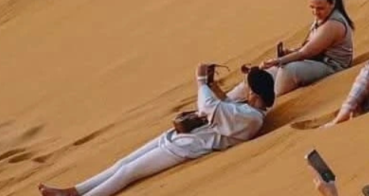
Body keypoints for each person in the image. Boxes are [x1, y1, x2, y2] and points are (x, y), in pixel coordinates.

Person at [37, 63, 275, 196]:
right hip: (180, 137)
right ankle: (72, 192)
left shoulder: (251, 119)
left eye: (246, 85)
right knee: (122, 163)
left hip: (186, 148)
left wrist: (201, 82)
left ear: (254, 93)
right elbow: (224, 103)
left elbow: (210, 107)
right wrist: (213, 84)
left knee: (128, 172)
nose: (242, 86)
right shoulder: (246, 110)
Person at [230, 0, 354, 100]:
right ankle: (226, 101)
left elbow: (305, 53)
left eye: (320, 8)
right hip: (315, 60)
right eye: (312, 7)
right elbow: (309, 47)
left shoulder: (333, 25)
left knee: (288, 70)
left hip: (331, 66)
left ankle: (269, 102)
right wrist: (289, 53)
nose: (315, 12)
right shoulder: (323, 16)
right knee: (263, 74)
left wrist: (278, 61)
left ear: (332, 3)